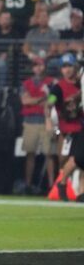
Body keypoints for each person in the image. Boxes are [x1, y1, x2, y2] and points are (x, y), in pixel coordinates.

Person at [45, 54, 84, 202]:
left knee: (81, 162)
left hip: (81, 126)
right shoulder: (58, 88)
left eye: (69, 66)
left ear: (75, 67)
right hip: (68, 129)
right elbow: (49, 102)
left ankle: (80, 192)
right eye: (64, 67)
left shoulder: (81, 83)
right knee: (65, 160)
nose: (66, 70)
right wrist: (48, 119)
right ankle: (63, 187)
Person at [20, 58, 57, 193]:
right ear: (32, 68)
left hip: (46, 120)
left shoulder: (52, 82)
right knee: (30, 153)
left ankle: (52, 186)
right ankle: (28, 184)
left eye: (41, 65)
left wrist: (36, 101)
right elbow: (25, 101)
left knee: (49, 154)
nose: (38, 68)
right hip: (30, 121)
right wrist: (41, 99)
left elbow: (52, 101)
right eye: (36, 65)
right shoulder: (27, 83)